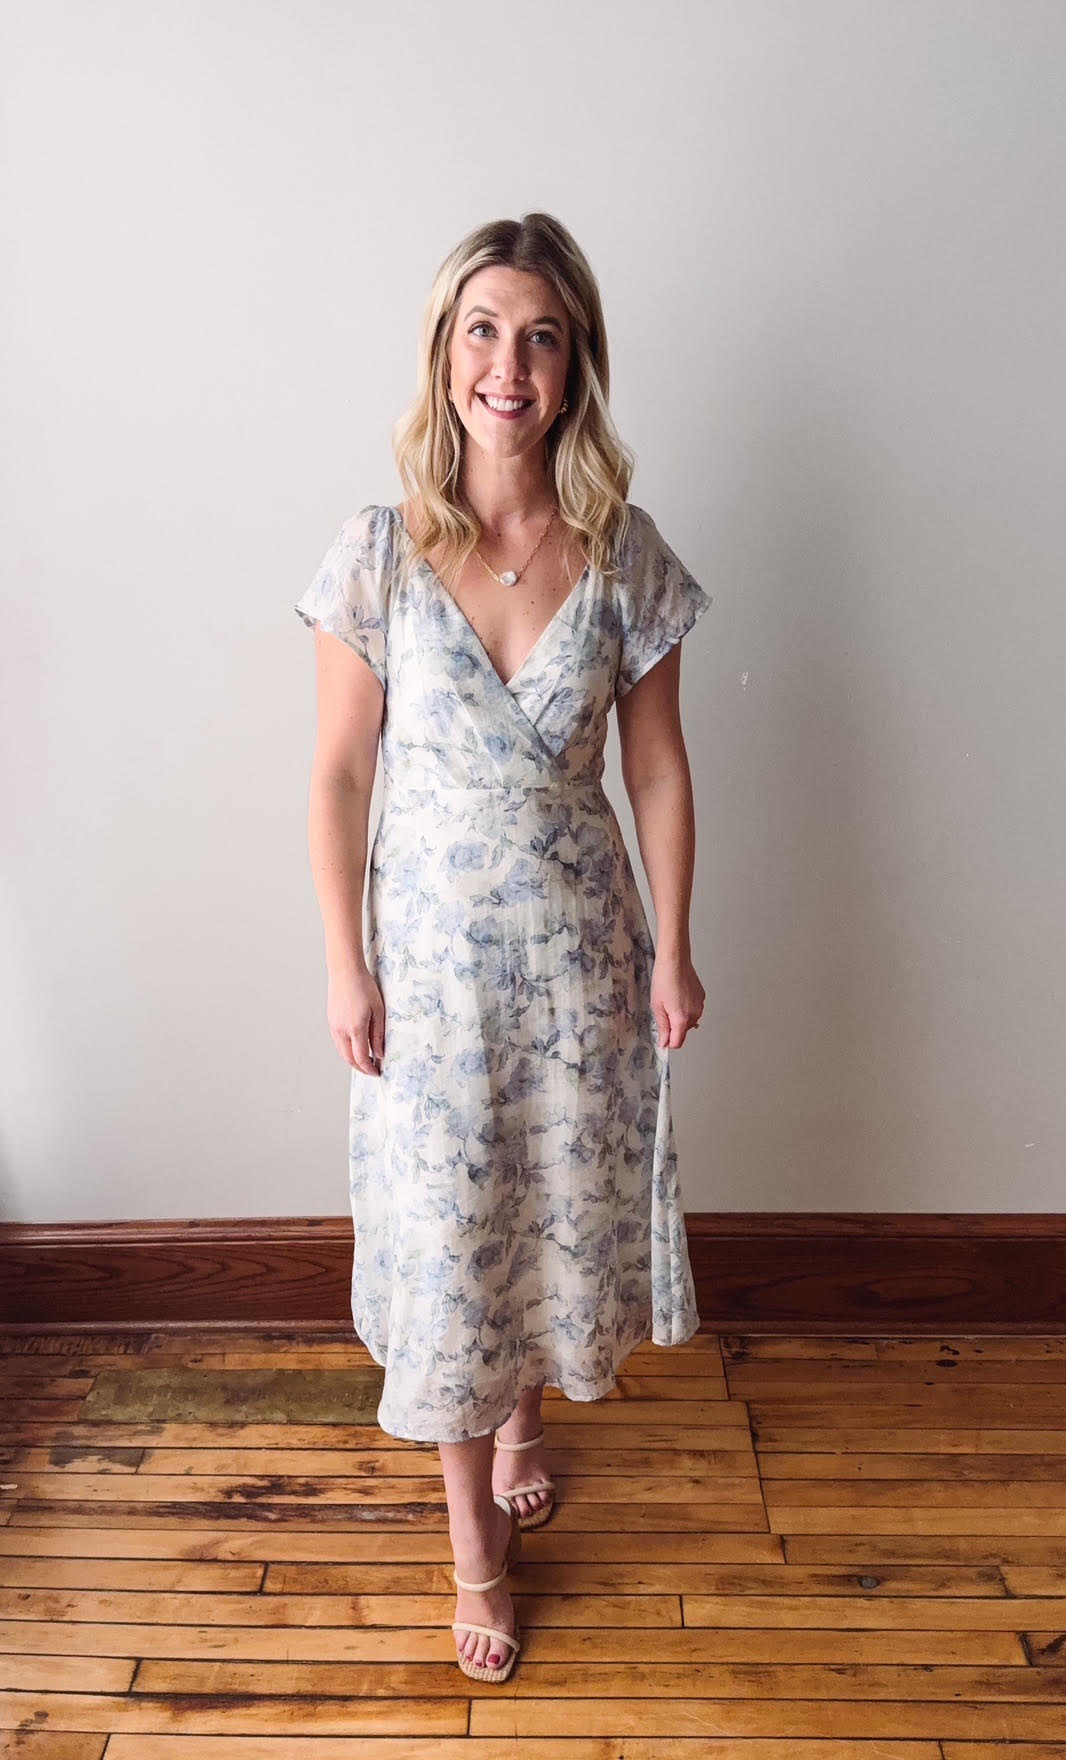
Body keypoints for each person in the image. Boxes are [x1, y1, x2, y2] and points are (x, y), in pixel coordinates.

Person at [294, 211, 711, 1685]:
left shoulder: (623, 553)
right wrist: (346, 964)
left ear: (575, 360)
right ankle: (475, 1552)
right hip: (433, 972)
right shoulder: (378, 552)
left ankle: (527, 1418)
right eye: (481, 329)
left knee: (541, 1206)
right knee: (450, 1242)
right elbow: (342, 773)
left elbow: (655, 770)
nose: (506, 363)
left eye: (538, 334)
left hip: (580, 958)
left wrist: (671, 949)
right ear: (442, 353)